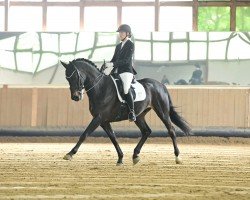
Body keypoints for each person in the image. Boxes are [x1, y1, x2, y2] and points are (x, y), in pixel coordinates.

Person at [110, 24, 137, 122]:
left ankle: (132, 112)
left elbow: (126, 60)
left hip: (126, 71)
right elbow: (113, 59)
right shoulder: (118, 46)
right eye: (119, 33)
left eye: (122, 32)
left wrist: (114, 64)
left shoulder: (130, 44)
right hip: (117, 71)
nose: (120, 34)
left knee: (126, 89)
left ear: (128, 33)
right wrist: (107, 65)